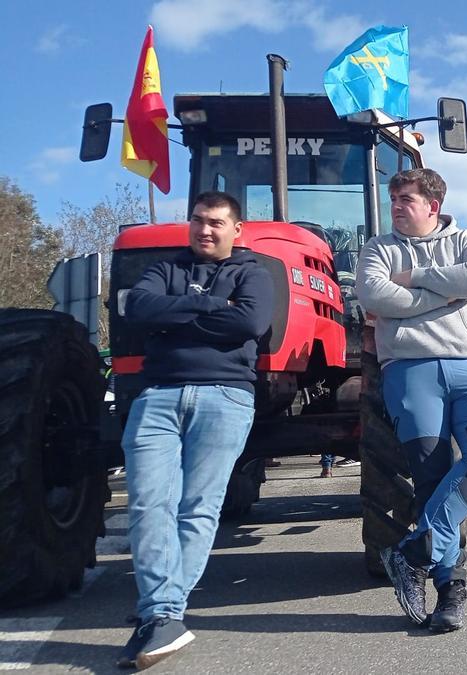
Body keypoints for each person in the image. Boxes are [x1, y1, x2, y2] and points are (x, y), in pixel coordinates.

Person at [117, 191, 275, 668]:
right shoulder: (165, 267)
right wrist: (210, 307)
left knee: (198, 506)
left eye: (216, 222)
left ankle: (160, 614)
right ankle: (163, 615)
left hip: (225, 397)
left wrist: (176, 316)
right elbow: (137, 308)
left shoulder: (253, 273)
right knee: (147, 504)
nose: (205, 230)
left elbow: (250, 321)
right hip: (158, 396)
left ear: (236, 230)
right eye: (198, 220)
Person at [357, 168, 467, 632]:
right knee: (432, 477)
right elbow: (375, 295)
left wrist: (416, 278)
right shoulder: (378, 249)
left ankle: (412, 553)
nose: (396, 206)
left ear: (433, 205)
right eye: (393, 199)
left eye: (406, 199)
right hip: (410, 369)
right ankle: (449, 591)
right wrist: (444, 298)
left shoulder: (466, 241)